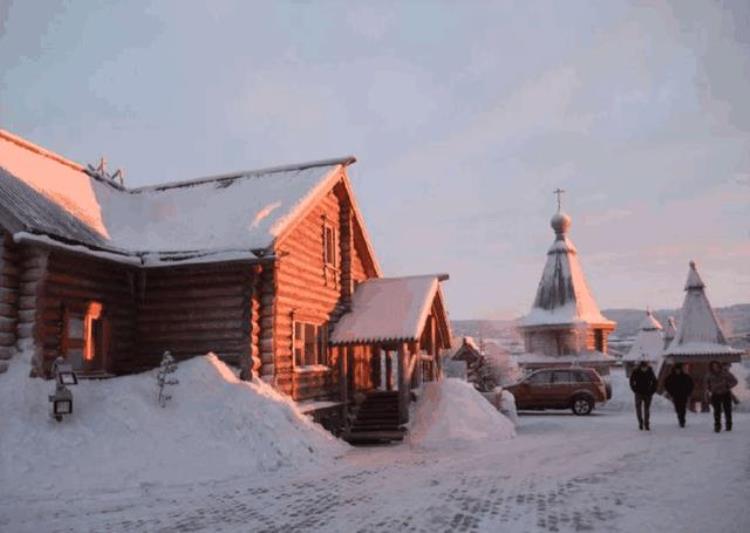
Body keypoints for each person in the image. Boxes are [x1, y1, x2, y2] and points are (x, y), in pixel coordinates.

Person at [705, 361, 738, 433]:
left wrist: (728, 386)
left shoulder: (725, 373)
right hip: (715, 394)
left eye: (716, 366)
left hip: (725, 393)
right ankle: (717, 426)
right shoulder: (709, 374)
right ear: (711, 367)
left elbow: (735, 381)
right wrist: (709, 389)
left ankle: (728, 425)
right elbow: (707, 384)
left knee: (727, 410)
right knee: (717, 411)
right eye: (713, 366)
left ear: (719, 366)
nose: (715, 367)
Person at [629, 360, 658, 431]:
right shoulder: (636, 371)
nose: (644, 369)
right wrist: (634, 389)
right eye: (643, 367)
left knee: (647, 409)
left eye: (645, 367)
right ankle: (640, 423)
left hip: (648, 393)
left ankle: (646, 423)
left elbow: (655, 382)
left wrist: (652, 391)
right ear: (640, 367)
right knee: (638, 408)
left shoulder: (650, 372)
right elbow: (631, 381)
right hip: (638, 393)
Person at [664, 363, 694, 428]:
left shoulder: (685, 376)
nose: (678, 371)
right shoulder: (671, 377)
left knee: (683, 407)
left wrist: (688, 392)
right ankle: (680, 417)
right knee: (677, 408)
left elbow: (691, 384)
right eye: (676, 370)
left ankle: (682, 420)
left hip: (684, 394)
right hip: (675, 395)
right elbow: (666, 384)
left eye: (679, 370)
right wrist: (670, 392)